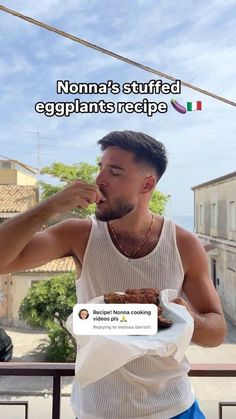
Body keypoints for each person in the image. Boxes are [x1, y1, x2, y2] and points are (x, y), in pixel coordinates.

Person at [0, 130, 226, 418]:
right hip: (98, 411)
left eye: (115, 172)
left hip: (175, 408)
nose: (99, 180)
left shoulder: (183, 244)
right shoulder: (79, 234)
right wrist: (52, 204)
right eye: (100, 168)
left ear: (147, 185)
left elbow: (216, 331)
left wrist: (184, 318)